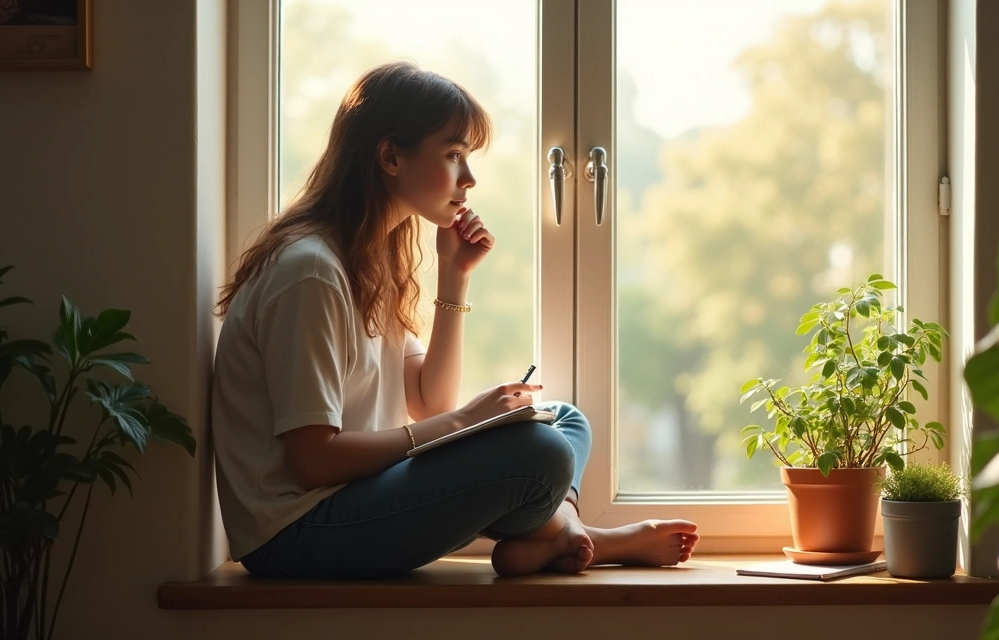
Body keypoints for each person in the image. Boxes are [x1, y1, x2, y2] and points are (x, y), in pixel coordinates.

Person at [210, 61, 699, 579]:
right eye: (453, 154)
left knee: (563, 419)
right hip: (298, 534)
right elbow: (314, 461)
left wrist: (454, 275)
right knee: (542, 452)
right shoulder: (312, 272)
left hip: (354, 499)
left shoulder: (369, 261)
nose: (469, 178)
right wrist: (466, 423)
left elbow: (429, 399)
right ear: (390, 156)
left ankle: (563, 531)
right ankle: (574, 534)